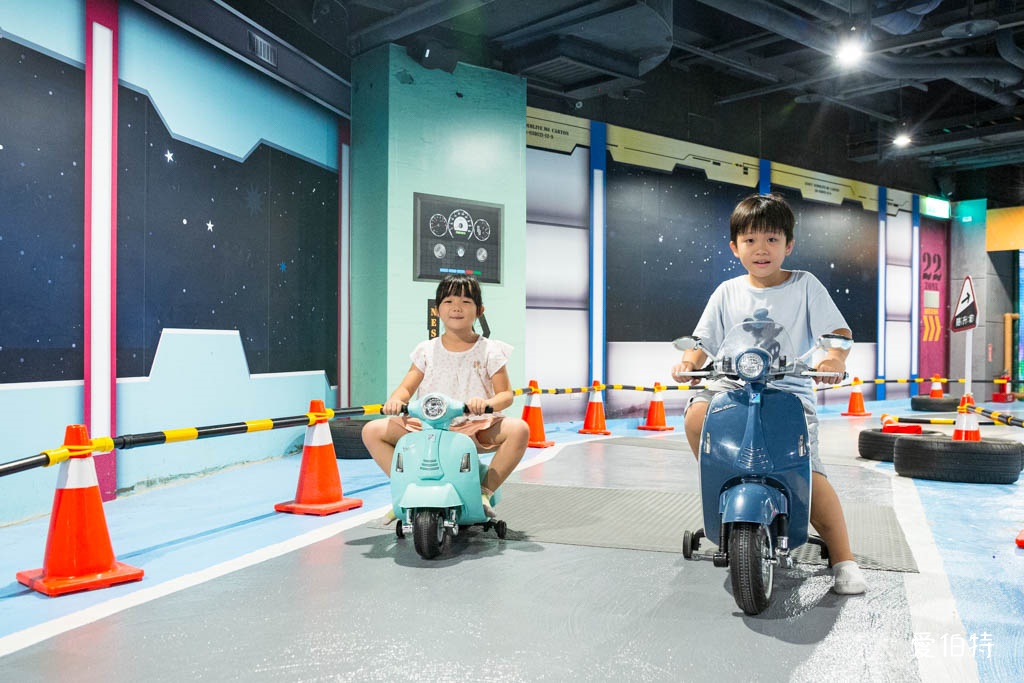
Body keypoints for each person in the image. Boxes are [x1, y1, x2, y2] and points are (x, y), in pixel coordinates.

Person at [670, 193, 867, 595]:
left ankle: (844, 557)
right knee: (694, 417)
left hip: (787, 389)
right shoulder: (727, 291)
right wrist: (689, 364)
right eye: (750, 240)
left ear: (789, 245)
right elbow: (702, 340)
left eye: (772, 240)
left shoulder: (804, 285)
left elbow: (838, 334)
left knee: (807, 471)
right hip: (733, 386)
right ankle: (726, 476)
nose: (761, 249)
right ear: (734, 247)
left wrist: (832, 360)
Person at [361, 274, 530, 518]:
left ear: (479, 310)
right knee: (372, 431)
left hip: (474, 425)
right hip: (427, 425)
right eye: (449, 301)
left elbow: (505, 394)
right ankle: (406, 488)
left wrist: (486, 404)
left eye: (465, 301)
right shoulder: (426, 350)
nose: (457, 307)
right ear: (437, 309)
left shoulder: (490, 350)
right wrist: (396, 400)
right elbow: (406, 388)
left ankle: (484, 492)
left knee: (519, 430)